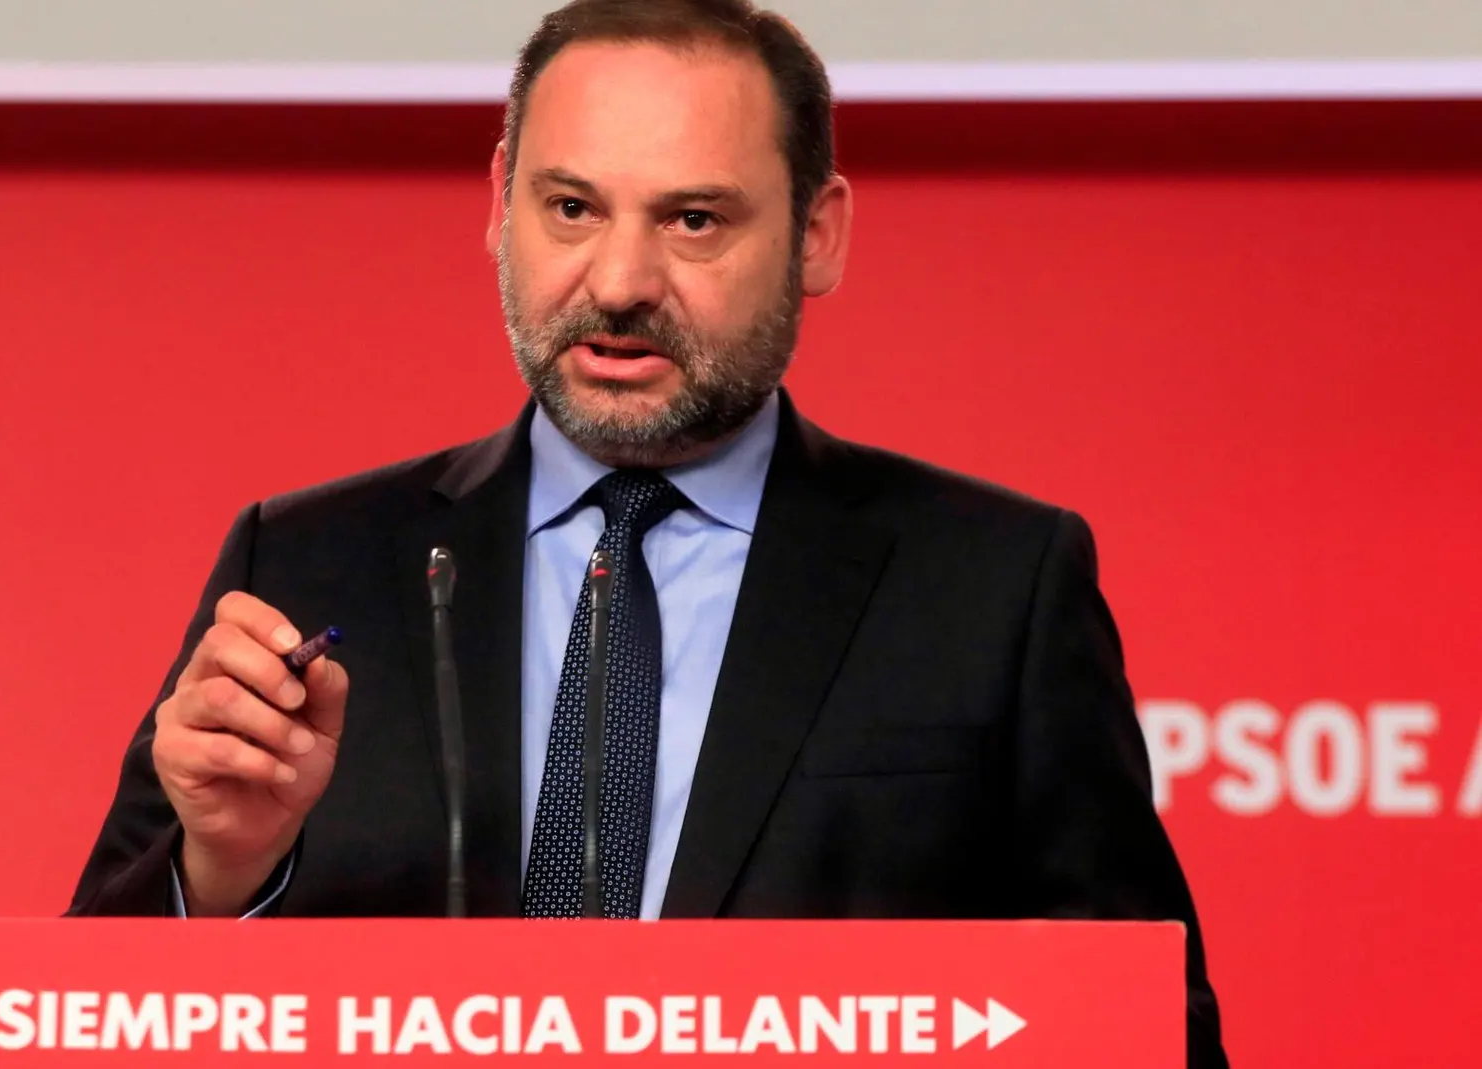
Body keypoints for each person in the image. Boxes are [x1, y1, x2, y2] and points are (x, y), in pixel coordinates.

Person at [67, 1, 1226, 1064]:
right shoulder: (308, 561)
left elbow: (1147, 1028)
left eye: (694, 219)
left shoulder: (990, 585)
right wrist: (220, 876)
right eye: (569, 207)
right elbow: (74, 1011)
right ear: (498, 203)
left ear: (816, 234)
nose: (618, 280)